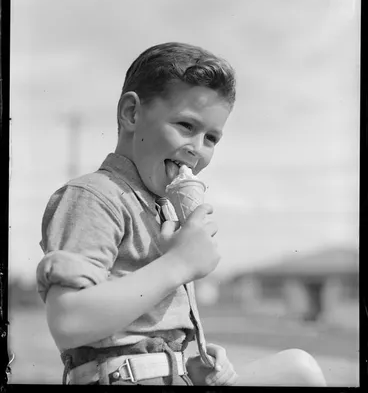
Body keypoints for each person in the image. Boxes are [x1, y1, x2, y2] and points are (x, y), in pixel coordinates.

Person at [36, 42, 327, 386]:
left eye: (212, 138)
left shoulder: (160, 209)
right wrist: (179, 264)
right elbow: (69, 322)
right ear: (131, 113)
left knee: (298, 369)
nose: (198, 149)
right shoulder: (95, 196)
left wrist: (178, 360)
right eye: (186, 126)